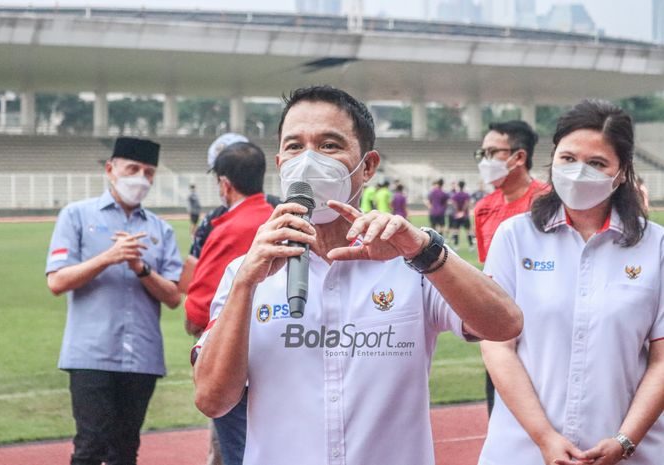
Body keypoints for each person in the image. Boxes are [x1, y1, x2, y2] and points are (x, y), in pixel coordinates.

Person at [192, 85, 523, 465]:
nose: (309, 160)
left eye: (329, 145)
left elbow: (505, 324)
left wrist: (423, 250)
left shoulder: (411, 263)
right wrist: (246, 286)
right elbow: (212, 400)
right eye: (296, 147)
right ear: (281, 163)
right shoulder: (246, 274)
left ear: (367, 166)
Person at [478, 100, 664, 465]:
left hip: (630, 450)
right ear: (553, 159)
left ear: (622, 172)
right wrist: (545, 438)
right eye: (568, 159)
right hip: (524, 449)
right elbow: (498, 346)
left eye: (596, 164)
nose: (579, 173)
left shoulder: (655, 247)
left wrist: (625, 440)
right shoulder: (515, 237)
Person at [45, 137, 182, 465]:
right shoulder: (76, 216)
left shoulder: (160, 230)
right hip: (91, 354)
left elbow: (174, 296)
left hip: (142, 357)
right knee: (90, 445)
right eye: (132, 169)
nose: (140, 178)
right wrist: (108, 258)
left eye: (148, 172)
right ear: (111, 169)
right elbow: (57, 281)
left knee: (126, 449)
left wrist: (140, 268)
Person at [185, 141, 275, 465]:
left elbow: (197, 308)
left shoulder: (226, 228)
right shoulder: (278, 218)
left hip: (234, 367)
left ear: (225, 184)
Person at [473, 119, 547, 414]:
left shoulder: (549, 202)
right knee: (501, 416)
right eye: (482, 153)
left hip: (544, 332)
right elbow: (488, 275)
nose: (485, 161)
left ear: (519, 157)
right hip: (501, 333)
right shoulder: (483, 208)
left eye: (493, 152)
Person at [449, 180, 473, 249]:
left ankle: (456, 246)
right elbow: (467, 203)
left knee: (456, 231)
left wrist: (458, 211)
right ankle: (471, 246)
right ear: (464, 186)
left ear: (458, 186)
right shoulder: (466, 194)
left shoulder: (455, 195)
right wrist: (463, 211)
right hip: (465, 215)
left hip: (457, 216)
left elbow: (454, 204)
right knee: (468, 231)